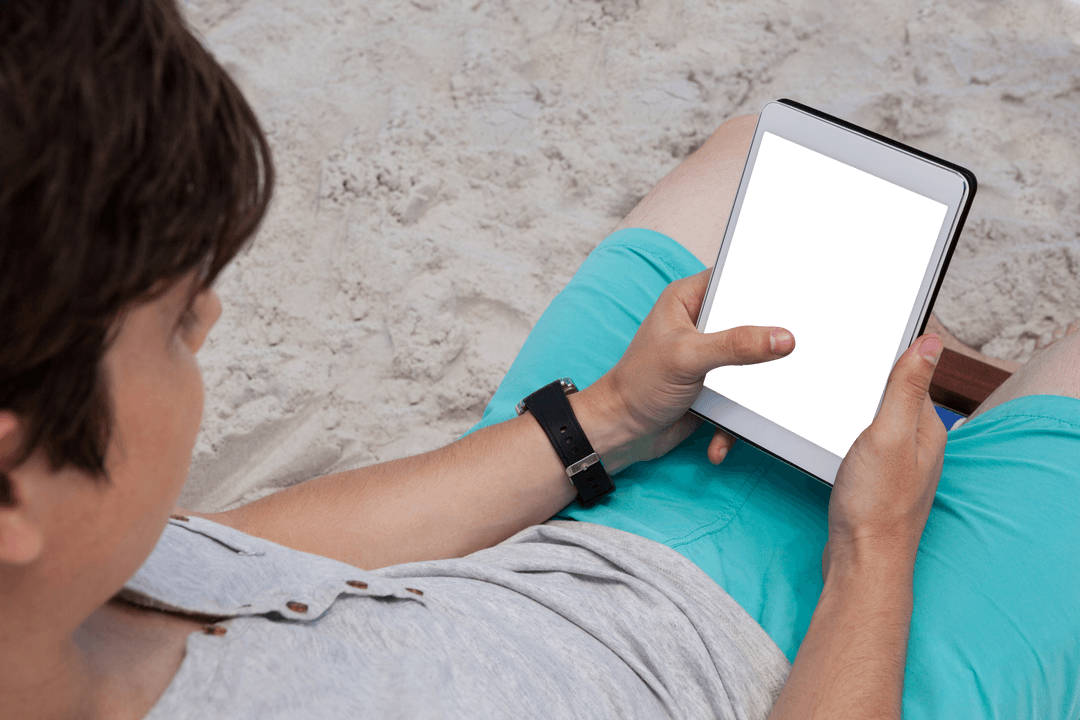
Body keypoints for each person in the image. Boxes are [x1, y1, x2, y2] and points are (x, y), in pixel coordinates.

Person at [2, 1, 1078, 718]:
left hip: (555, 521)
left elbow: (242, 561)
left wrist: (602, 418)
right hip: (811, 658)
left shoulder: (58, 588)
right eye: (176, 325)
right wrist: (874, 550)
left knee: (750, 157)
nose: (212, 323)